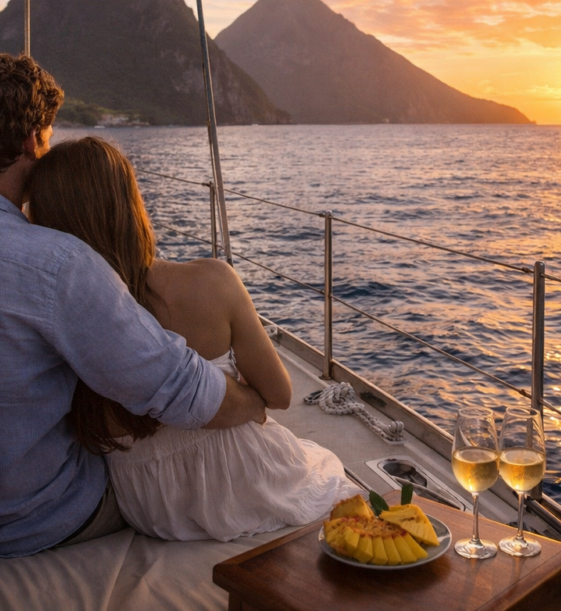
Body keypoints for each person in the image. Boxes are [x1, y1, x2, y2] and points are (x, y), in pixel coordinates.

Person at [0, 53, 267, 558]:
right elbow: (181, 391)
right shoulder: (56, 263)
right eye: (47, 136)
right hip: (24, 522)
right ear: (29, 143)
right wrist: (255, 403)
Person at [27, 137, 356, 542]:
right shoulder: (212, 280)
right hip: (245, 477)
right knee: (324, 468)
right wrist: (240, 392)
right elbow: (280, 394)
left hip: (152, 504)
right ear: (130, 204)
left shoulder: (59, 315)